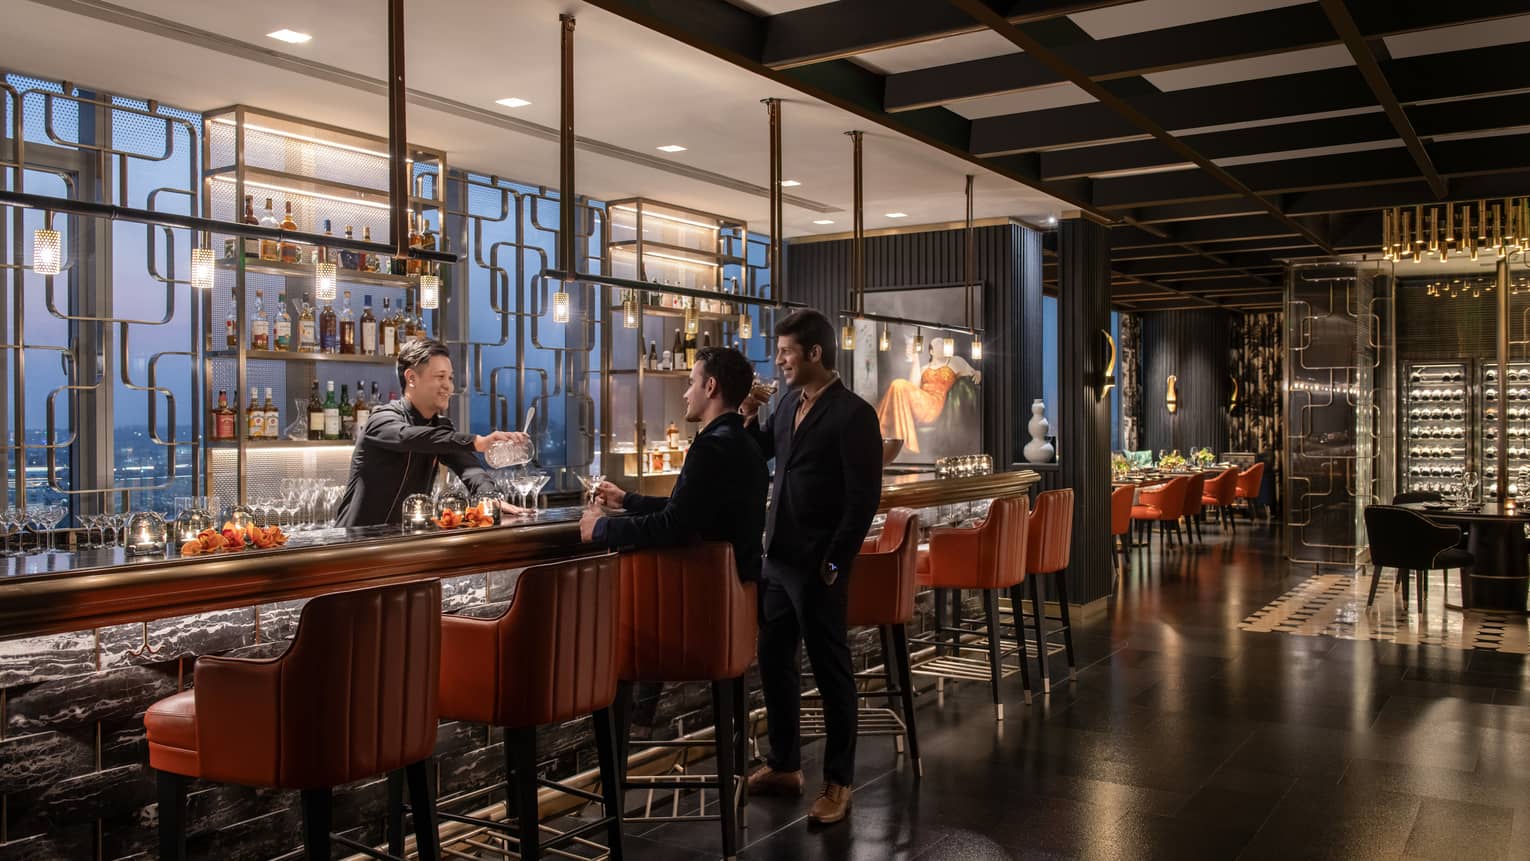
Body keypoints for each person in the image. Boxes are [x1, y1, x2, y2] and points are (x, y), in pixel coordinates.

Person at [738, 308, 882, 826]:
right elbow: (761, 453)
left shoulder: (854, 414)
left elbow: (864, 499)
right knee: (774, 661)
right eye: (779, 354)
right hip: (777, 557)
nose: (778, 362)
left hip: (818, 563)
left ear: (815, 352)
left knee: (830, 670)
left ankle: (839, 782)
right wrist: (749, 413)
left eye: (786, 353)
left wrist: (835, 562)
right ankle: (784, 764)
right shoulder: (788, 405)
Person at [580, 346, 770, 740]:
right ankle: (643, 728)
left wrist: (600, 530)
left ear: (711, 386)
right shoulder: (743, 443)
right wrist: (627, 500)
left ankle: (622, 755)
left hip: (694, 618)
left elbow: (675, 527)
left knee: (610, 630)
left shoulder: (711, 446)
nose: (686, 393)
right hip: (733, 610)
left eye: (690, 383)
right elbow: (692, 511)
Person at [335, 338, 529, 527]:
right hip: (354, 543)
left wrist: (490, 498)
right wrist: (476, 441)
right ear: (411, 378)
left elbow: (472, 471)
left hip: (403, 543)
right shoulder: (381, 419)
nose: (448, 386)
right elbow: (407, 437)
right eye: (440, 377)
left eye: (450, 378)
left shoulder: (441, 429)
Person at [875, 334, 981, 454]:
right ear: (931, 351)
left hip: (934, 405)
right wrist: (916, 358)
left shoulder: (954, 361)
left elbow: (974, 372)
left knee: (898, 384)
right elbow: (913, 387)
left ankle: (879, 429)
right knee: (897, 385)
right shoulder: (924, 368)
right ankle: (877, 431)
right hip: (921, 403)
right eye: (939, 345)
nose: (943, 347)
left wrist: (978, 373)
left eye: (943, 344)